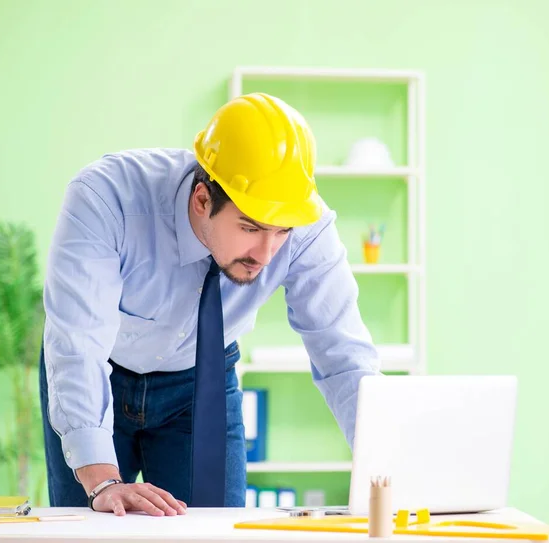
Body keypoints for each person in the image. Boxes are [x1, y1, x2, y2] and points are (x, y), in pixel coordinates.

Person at [39, 92, 379, 517]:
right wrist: (103, 480)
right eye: (250, 227)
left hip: (200, 383)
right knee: (90, 525)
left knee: (215, 529)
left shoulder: (308, 227)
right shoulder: (106, 199)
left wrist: (391, 467)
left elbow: (343, 356)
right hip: (98, 375)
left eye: (282, 232)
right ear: (203, 200)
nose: (268, 253)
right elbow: (77, 345)